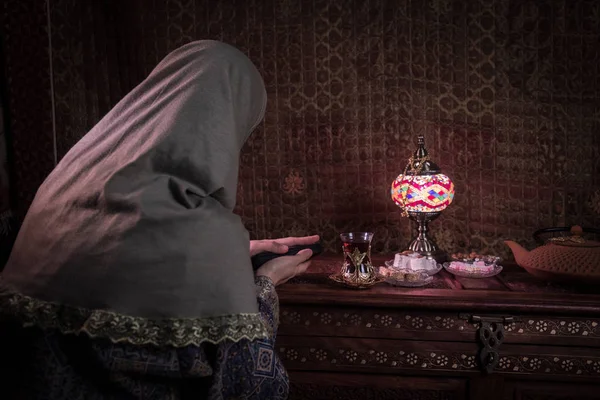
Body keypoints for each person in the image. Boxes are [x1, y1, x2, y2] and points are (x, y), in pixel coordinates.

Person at [0, 40, 318, 399]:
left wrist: (217, 257)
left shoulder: (55, 196)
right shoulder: (203, 232)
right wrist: (264, 283)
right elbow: (250, 386)